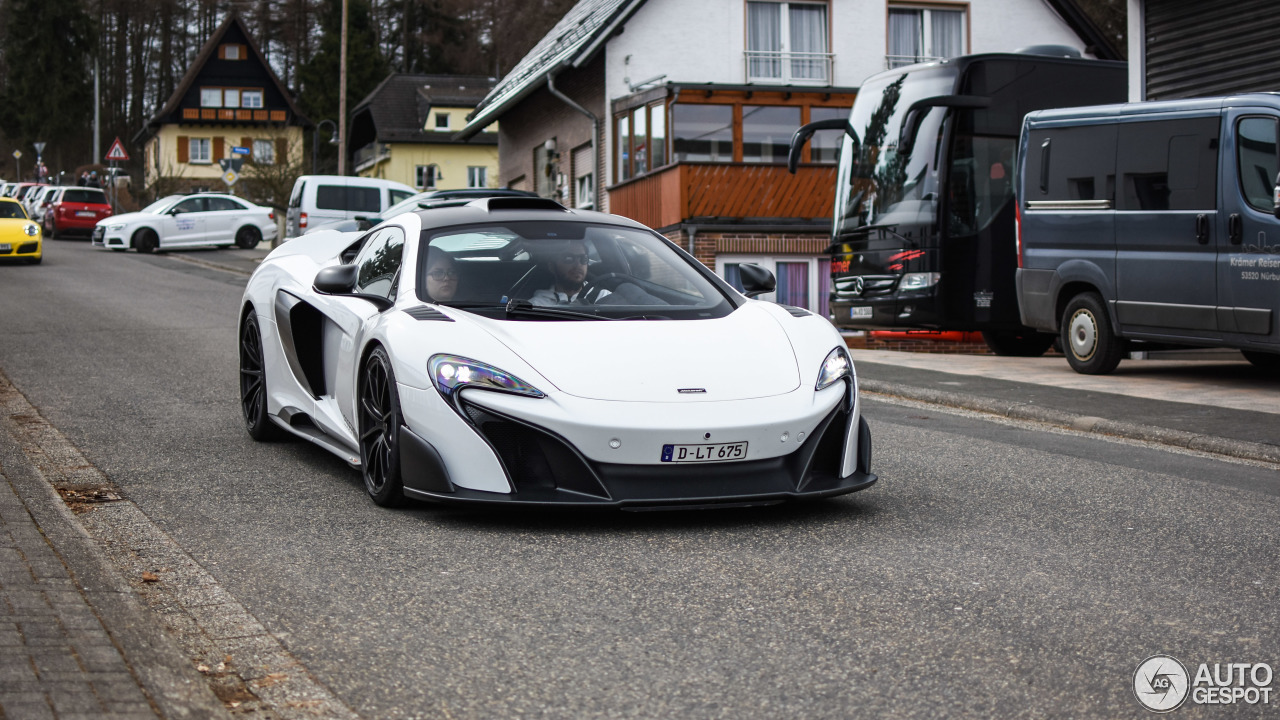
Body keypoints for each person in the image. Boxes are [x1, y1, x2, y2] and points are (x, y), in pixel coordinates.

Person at [530, 240, 610, 306]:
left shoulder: (604, 298)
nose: (578, 265)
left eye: (583, 259)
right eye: (569, 258)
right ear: (552, 267)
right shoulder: (537, 305)